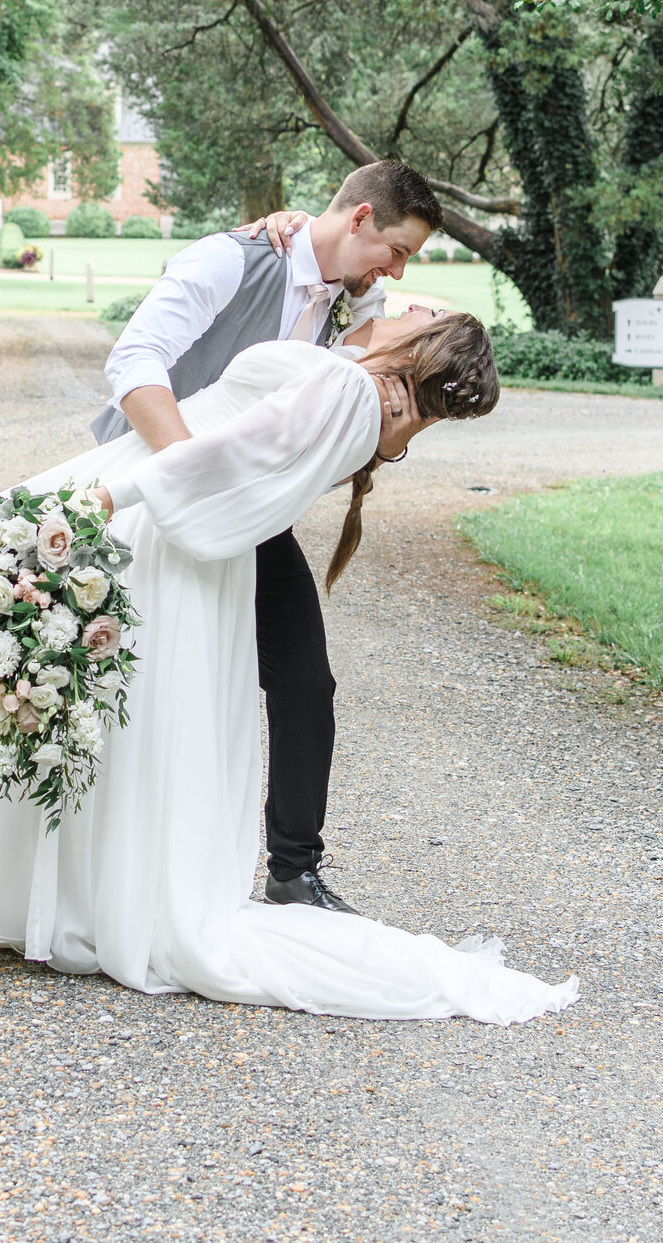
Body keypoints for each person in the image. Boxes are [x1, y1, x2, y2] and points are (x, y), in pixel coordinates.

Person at [0, 313, 580, 1025]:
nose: (404, 300)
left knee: (21, 651)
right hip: (150, 504)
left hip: (148, 505)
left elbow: (231, 457)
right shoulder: (353, 374)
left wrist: (119, 496)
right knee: (5, 634)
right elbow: (238, 444)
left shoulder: (354, 392)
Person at [92, 158, 441, 917]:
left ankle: (293, 870)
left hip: (244, 509)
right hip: (146, 489)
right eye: (398, 248)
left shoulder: (358, 297)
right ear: (358, 220)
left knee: (304, 679)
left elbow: (413, 359)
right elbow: (133, 363)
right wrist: (192, 471)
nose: (397, 270)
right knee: (95, 675)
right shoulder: (230, 258)